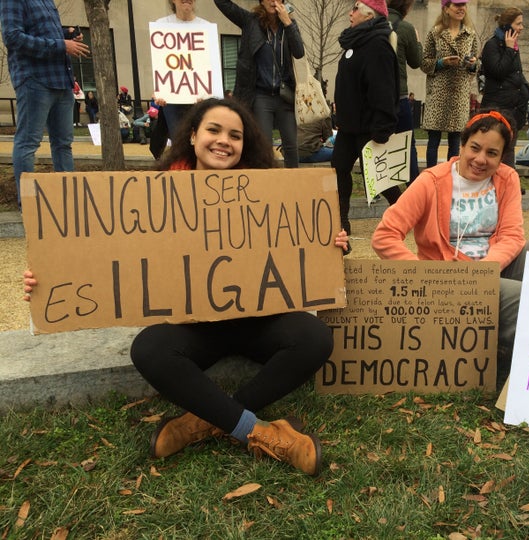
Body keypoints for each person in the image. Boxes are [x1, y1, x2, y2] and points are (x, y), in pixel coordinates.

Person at [23, 98, 350, 476]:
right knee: (148, 349)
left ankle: (203, 422)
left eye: (235, 135)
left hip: (259, 321)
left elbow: (303, 250)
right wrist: (47, 276)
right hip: (194, 327)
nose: (223, 141)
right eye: (213, 130)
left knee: (316, 338)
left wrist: (329, 244)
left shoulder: (272, 192)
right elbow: (105, 254)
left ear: (246, 145)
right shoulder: (154, 196)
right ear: (193, 135)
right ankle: (255, 430)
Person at [372, 110, 529, 379]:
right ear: (461, 146)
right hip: (450, 285)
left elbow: (512, 236)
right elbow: (384, 236)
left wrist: (484, 271)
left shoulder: (507, 178)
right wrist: (422, 273)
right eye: (475, 148)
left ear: (502, 157)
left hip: (492, 270)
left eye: (492, 153)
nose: (480, 159)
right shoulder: (431, 181)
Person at [0, 3, 90, 209]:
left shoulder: (47, 2)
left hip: (62, 81)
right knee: (28, 143)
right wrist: (62, 45)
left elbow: (43, 33)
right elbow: (12, 37)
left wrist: (65, 35)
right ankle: (29, 205)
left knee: (63, 144)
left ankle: (70, 201)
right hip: (34, 81)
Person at [332, 0, 402, 247]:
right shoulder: (356, 42)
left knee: (379, 179)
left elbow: (383, 89)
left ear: (368, 14)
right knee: (338, 169)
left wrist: (382, 127)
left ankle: (405, 212)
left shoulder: (377, 45)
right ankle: (340, 220)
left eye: (355, 9)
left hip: (369, 127)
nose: (350, 13)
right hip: (349, 126)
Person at [214, 0, 305, 168]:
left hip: (284, 94)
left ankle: (294, 187)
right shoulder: (250, 21)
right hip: (261, 95)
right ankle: (266, 186)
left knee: (291, 145)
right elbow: (223, 4)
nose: (273, 1)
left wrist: (288, 23)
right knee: (264, 145)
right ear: (261, 2)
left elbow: (299, 52)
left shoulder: (289, 25)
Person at [420, 0, 478, 168]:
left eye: (463, 5)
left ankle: (451, 177)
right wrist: (441, 63)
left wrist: (472, 63)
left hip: (459, 94)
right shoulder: (435, 33)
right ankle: (431, 176)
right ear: (446, 8)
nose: (461, 9)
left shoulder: (470, 34)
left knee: (455, 141)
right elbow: (424, 63)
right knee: (433, 141)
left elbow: (476, 64)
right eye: (456, 5)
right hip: (438, 93)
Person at [153, 0, 211, 141]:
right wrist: (160, 90)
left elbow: (209, 66)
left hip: (200, 100)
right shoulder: (161, 26)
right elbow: (160, 64)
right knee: (179, 144)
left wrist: (208, 92)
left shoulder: (206, 28)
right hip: (172, 101)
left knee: (203, 142)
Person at [480, 7, 529, 167]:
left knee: (509, 148)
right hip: (497, 106)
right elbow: (498, 71)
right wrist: (508, 49)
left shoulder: (513, 46)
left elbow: (516, 74)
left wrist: (527, 90)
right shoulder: (492, 45)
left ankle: (509, 182)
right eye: (518, 24)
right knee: (496, 146)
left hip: (513, 106)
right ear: (507, 25)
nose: (521, 28)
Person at [388, 0, 422, 183]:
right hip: (398, 94)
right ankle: (414, 191)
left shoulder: (373, 24)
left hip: (375, 97)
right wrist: (417, 42)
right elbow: (416, 62)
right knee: (408, 146)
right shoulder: (406, 28)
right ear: (407, 7)